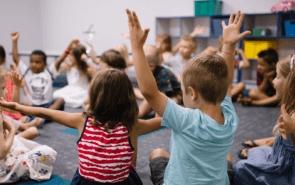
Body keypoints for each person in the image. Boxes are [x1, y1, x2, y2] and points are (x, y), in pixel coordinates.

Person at [126, 9, 250, 184]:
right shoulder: (229, 115)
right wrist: (228, 47)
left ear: (192, 93)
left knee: (157, 153)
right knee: (227, 156)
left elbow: (149, 92)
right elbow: (227, 81)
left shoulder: (185, 119)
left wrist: (136, 47)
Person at [0, 68, 163, 185]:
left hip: (86, 182)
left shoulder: (82, 120)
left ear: (94, 95)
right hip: (121, 182)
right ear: (128, 97)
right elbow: (163, 118)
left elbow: (45, 113)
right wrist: (155, 95)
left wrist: (17, 107)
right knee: (129, 170)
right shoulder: (133, 126)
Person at [233, 54, 295, 185]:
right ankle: (264, 146)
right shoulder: (290, 107)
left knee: (240, 168)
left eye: (278, 77)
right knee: (261, 151)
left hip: (288, 171)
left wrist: (293, 130)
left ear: (290, 83)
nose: (274, 81)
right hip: (280, 157)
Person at [11, 31, 65, 125]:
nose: (34, 65)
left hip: (47, 106)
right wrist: (15, 41)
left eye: (37, 62)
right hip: (32, 106)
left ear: (45, 64)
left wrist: (69, 49)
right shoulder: (27, 72)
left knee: (60, 100)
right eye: (31, 62)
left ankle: (38, 117)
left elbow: (59, 60)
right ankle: (41, 117)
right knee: (22, 105)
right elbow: (16, 58)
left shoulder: (48, 72)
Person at [138, 45, 181, 118]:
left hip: (174, 94)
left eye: (139, 62)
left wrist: (157, 117)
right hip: (156, 93)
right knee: (140, 113)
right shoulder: (146, 71)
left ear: (151, 66)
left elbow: (161, 98)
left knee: (168, 111)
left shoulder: (162, 74)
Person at [52, 42, 97, 109]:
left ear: (77, 57)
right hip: (71, 89)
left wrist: (87, 60)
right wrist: (63, 57)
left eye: (71, 55)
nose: (69, 57)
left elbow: (97, 75)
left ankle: (81, 103)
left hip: (83, 90)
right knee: (55, 94)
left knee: (80, 98)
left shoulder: (86, 68)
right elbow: (56, 69)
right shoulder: (69, 66)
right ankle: (77, 103)